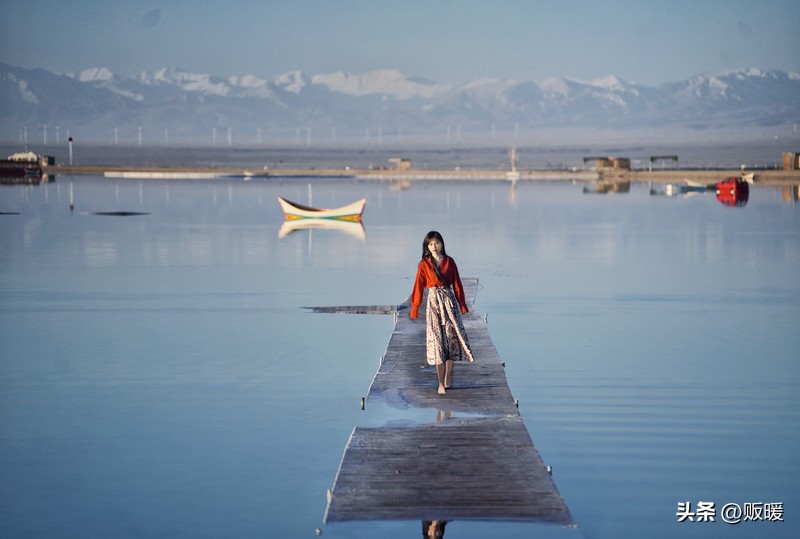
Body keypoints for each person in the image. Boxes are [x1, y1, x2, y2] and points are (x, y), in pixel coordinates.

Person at [410, 231, 474, 395]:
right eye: (430, 244)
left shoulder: (450, 262)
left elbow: (457, 284)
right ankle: (439, 382)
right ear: (427, 247)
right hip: (433, 304)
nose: (434, 246)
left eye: (436, 243)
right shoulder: (424, 264)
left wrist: (462, 305)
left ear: (442, 244)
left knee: (450, 338)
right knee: (437, 342)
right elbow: (418, 286)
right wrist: (415, 308)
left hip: (448, 301)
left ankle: (448, 375)